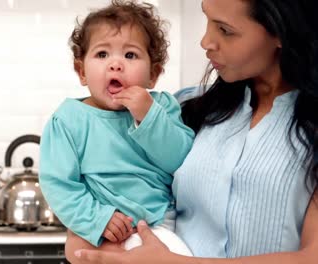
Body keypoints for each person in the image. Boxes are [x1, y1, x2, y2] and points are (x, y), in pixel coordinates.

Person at [74, 0, 318, 263]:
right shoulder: (179, 111)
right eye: (207, 19)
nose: (206, 41)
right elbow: (80, 240)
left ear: (281, 33)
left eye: (225, 30)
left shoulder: (312, 132)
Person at [39, 0, 195, 262]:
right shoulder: (68, 120)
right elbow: (59, 185)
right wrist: (97, 219)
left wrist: (148, 116)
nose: (115, 64)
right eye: (102, 55)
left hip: (157, 224)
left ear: (153, 74)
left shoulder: (162, 107)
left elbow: (179, 160)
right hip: (101, 230)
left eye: (130, 55)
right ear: (82, 72)